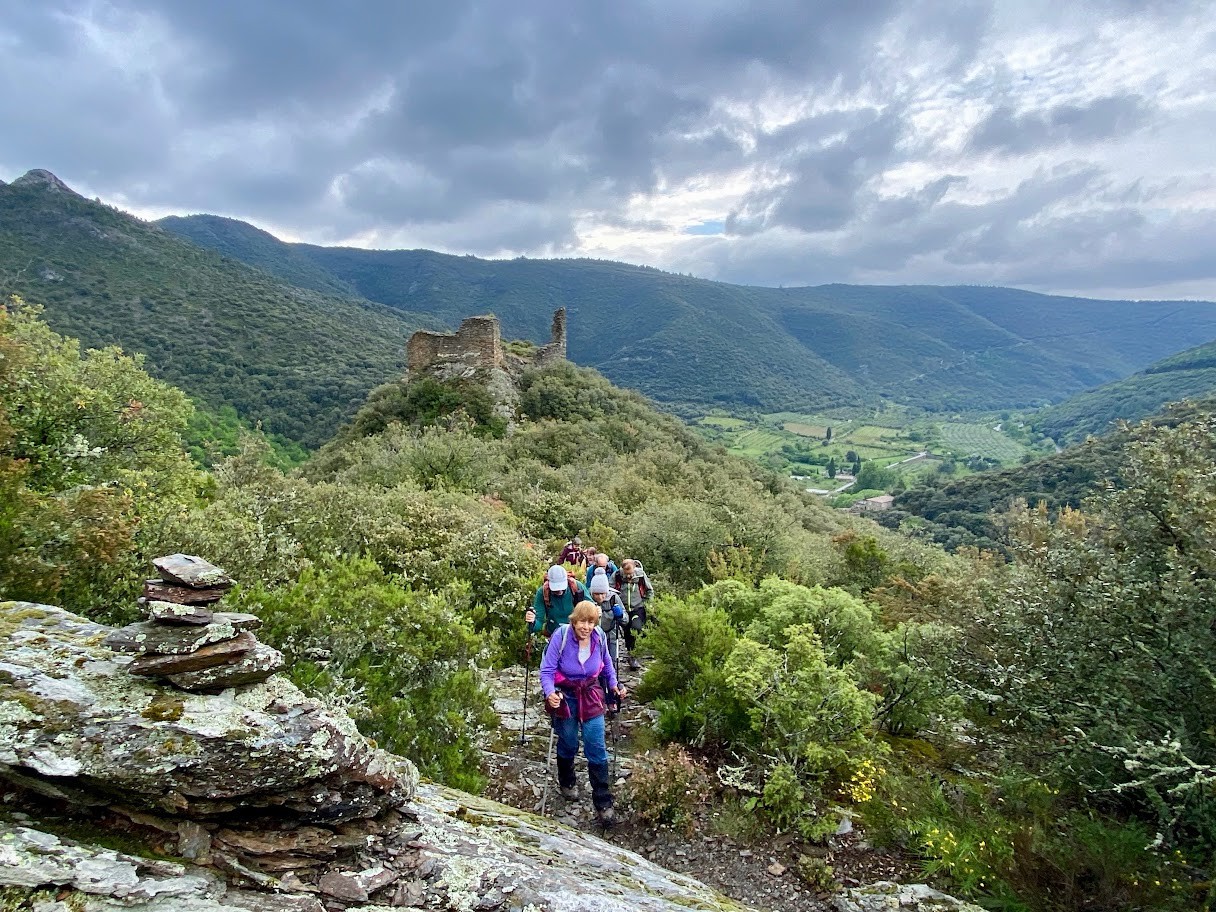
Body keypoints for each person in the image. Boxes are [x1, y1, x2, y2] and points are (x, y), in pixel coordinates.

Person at [540, 600, 627, 825]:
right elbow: (547, 670)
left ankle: (603, 801)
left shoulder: (599, 637)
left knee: (595, 743)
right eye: (582, 622)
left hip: (591, 693)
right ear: (574, 620)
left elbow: (607, 663)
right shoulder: (561, 637)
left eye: (590, 622)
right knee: (568, 741)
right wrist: (550, 692)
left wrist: (614, 684)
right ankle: (567, 781)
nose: (586, 627)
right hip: (566, 695)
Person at [612, 558, 653, 669]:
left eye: (630, 574)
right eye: (626, 574)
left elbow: (649, 590)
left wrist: (647, 604)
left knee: (636, 628)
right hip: (623, 609)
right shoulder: (617, 576)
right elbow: (610, 590)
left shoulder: (640, 575)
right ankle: (631, 655)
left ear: (634, 569)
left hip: (637, 608)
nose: (629, 577)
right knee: (627, 633)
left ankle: (633, 655)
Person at [526, 565, 590, 635]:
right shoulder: (542, 592)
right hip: (553, 635)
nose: (560, 591)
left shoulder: (576, 586)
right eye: (555, 589)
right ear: (549, 583)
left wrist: (597, 611)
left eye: (562, 587)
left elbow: (591, 609)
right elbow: (538, 623)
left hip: (576, 634)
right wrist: (532, 622)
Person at [588, 566, 625, 665]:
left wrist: (621, 615)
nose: (600, 597)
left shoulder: (614, 597)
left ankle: (611, 680)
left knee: (611, 661)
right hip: (592, 636)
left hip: (611, 634)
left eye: (603, 593)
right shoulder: (587, 599)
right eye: (597, 594)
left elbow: (625, 620)